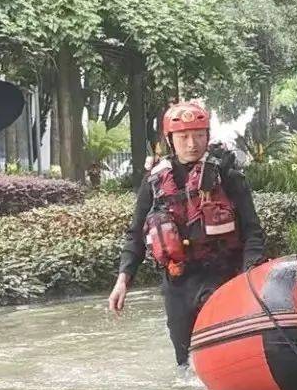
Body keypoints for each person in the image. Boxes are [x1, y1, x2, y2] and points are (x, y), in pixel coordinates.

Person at [107, 100, 266, 366]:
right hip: (178, 283)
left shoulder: (227, 175)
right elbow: (135, 235)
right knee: (185, 362)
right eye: (184, 136)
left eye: (199, 135)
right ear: (171, 140)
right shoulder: (155, 182)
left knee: (224, 356)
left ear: (208, 136)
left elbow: (253, 231)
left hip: (221, 277)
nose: (192, 143)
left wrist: (248, 276)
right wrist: (122, 280)